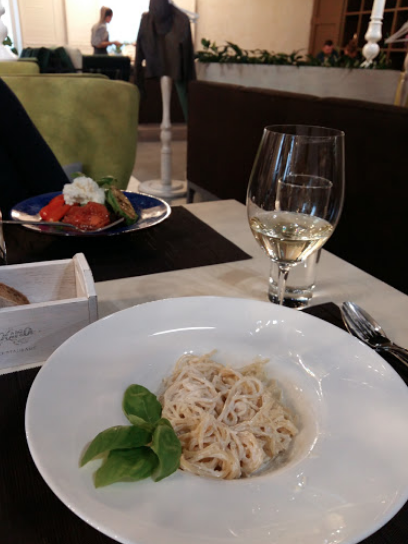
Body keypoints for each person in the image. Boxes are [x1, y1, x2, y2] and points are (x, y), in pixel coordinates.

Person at [135, 0, 196, 120]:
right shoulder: (181, 20)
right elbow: (187, 56)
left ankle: (170, 120)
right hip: (177, 68)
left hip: (157, 67)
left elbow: (139, 50)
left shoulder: (146, 21)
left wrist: (139, 79)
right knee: (183, 93)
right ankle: (190, 125)